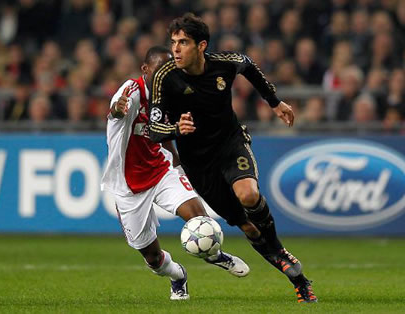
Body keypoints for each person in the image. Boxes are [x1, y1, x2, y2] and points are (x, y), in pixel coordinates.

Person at [148, 13, 317, 303]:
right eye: (174, 42)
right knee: (248, 226)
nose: (175, 49)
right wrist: (176, 128)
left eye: (183, 42)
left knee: (248, 194)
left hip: (230, 144)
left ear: (201, 46)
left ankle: (278, 249)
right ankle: (298, 279)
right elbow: (153, 129)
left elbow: (249, 66)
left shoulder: (224, 63)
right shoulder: (164, 77)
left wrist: (275, 102)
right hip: (199, 165)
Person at [100, 46, 249, 301]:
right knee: (153, 258)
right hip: (128, 184)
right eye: (159, 71)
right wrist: (117, 110)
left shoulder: (170, 93)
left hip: (161, 170)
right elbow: (115, 111)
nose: (165, 76)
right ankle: (177, 275)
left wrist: (179, 165)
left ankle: (215, 255)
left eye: (169, 71)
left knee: (199, 219)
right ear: (145, 70)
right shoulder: (132, 92)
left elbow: (166, 132)